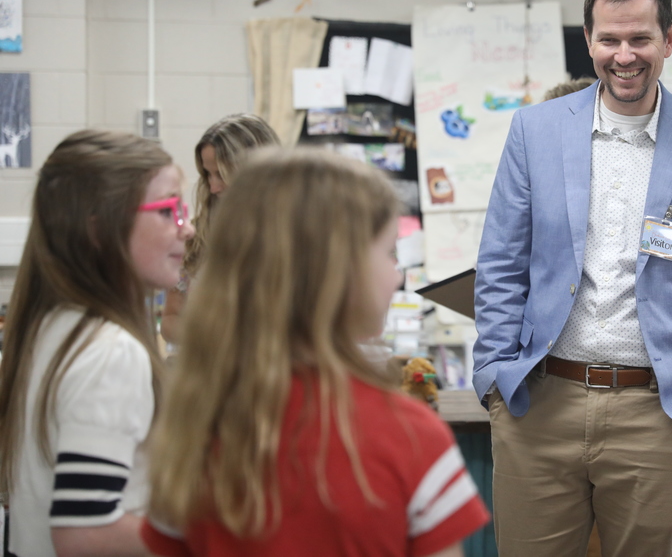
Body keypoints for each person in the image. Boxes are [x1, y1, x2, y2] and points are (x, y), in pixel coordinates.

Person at [473, 0, 672, 557]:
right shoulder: (536, 130)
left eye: (641, 39)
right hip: (539, 401)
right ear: (588, 40)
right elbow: (501, 261)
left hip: (659, 414)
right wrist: (495, 376)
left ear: (670, 39)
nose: (624, 55)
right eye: (610, 39)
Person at [142, 149, 490, 557]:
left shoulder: (193, 429)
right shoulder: (411, 436)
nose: (397, 273)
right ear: (338, 275)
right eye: (388, 253)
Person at [0, 129, 194, 557]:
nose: (188, 227)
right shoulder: (111, 352)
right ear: (99, 231)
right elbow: (85, 534)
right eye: (169, 211)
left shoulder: (53, 326)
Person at [159, 113, 279, 344]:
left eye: (222, 174)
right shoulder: (195, 235)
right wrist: (210, 338)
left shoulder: (297, 238)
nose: (213, 187)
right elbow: (171, 318)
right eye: (208, 174)